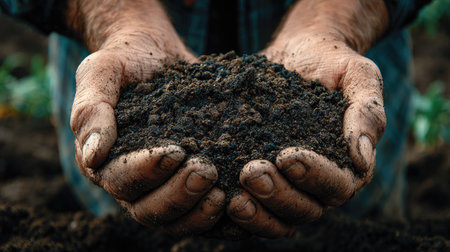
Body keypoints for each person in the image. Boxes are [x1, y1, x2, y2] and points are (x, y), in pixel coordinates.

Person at [0, 0, 430, 238]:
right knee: (126, 217)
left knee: (349, 225)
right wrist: (117, 18)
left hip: (339, 52)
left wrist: (334, 21)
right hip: (126, 61)